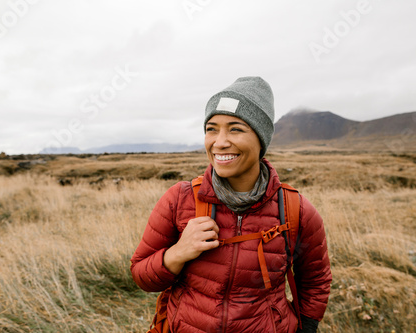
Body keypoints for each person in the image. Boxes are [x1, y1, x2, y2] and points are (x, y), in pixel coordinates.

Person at [130, 77, 332, 333]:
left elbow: (315, 281)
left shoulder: (295, 209)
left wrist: (307, 327)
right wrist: (178, 252)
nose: (220, 142)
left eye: (235, 129)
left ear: (261, 139)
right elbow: (141, 276)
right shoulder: (180, 199)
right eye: (212, 129)